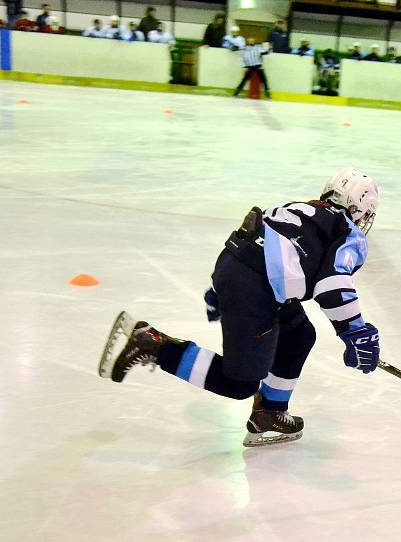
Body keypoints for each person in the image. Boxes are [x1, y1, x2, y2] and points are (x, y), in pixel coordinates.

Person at [99, 169, 381, 448]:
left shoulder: (301, 208)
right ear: (358, 209)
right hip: (257, 288)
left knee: (299, 334)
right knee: (239, 384)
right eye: (366, 214)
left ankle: (270, 412)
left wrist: (219, 286)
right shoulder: (348, 232)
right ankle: (154, 345)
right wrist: (356, 333)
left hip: (237, 270)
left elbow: (253, 236)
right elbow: (332, 285)